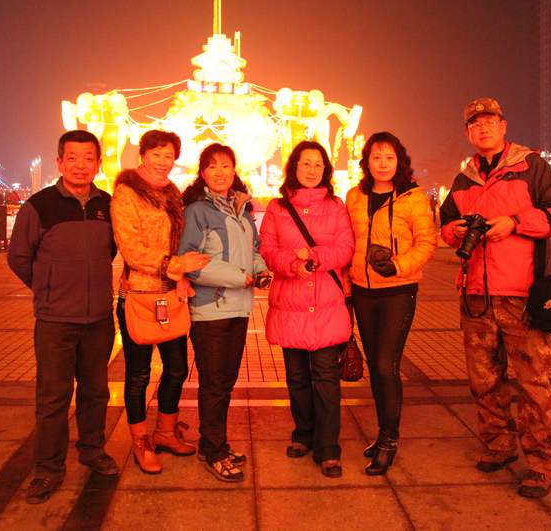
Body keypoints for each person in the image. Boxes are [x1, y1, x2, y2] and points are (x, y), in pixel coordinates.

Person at [439, 98, 551, 499]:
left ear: (503, 125)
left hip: (521, 293)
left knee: (532, 381)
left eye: (490, 121)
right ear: (468, 132)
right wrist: (457, 231)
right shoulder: (463, 178)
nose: (482, 129)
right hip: (476, 294)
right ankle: (498, 446)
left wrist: (512, 224)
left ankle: (542, 463)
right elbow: (444, 224)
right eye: (475, 124)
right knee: (484, 380)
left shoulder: (530, 166)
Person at [7, 130, 119, 505]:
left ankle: (92, 450)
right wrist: (48, 289)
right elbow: (19, 257)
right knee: (53, 397)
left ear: (98, 164)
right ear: (59, 162)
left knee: (95, 391)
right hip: (56, 321)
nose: (81, 165)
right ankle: (48, 468)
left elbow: (113, 250)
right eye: (73, 157)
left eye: (89, 158)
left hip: (99, 319)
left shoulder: (107, 204)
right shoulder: (39, 206)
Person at [112, 130, 209, 475]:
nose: (163, 161)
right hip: (138, 294)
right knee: (138, 374)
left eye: (169, 156)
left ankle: (166, 431)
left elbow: (181, 239)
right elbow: (130, 247)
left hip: (171, 294)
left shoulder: (172, 195)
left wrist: (182, 272)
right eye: (157, 154)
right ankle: (140, 440)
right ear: (143, 154)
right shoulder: (126, 193)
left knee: (178, 368)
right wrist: (174, 265)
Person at [259, 141, 354, 478]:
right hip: (290, 303)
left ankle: (328, 447)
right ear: (294, 168)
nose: (312, 170)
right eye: (305, 164)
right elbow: (267, 248)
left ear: (325, 169)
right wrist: (289, 262)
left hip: (327, 302)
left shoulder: (336, 206)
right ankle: (303, 434)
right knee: (298, 377)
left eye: (318, 164)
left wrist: (314, 258)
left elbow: (345, 248)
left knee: (326, 378)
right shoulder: (277, 208)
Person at [347, 131, 437, 476]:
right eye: (376, 157)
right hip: (362, 291)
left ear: (399, 161)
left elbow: (428, 243)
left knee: (386, 365)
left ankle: (389, 439)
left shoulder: (412, 198)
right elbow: (347, 241)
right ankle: (382, 431)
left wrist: (398, 264)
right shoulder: (354, 197)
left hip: (398, 290)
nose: (382, 163)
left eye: (389, 157)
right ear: (366, 161)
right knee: (374, 364)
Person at [178, 143, 269, 482]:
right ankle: (214, 451)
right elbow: (190, 264)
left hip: (239, 307)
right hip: (210, 309)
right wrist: (240, 278)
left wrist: (261, 271)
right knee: (214, 383)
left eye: (226, 165)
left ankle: (214, 442)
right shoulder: (197, 211)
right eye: (212, 166)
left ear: (234, 169)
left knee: (226, 382)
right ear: (202, 173)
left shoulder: (241, 208)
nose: (220, 172)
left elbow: (254, 250)